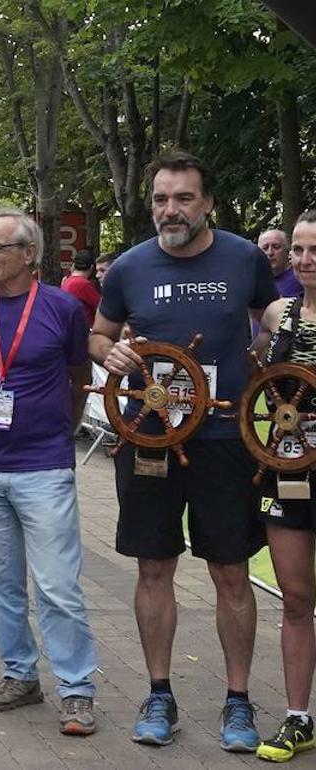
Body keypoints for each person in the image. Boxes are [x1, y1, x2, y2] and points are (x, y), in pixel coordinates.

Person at [90, 151, 277, 750]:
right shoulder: (128, 267)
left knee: (230, 569)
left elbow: (270, 319)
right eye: (161, 200)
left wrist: (270, 356)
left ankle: (239, 702)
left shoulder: (246, 258)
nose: (170, 210)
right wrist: (108, 353)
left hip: (226, 441)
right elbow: (99, 332)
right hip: (150, 437)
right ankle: (159, 694)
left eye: (183, 199)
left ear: (208, 204)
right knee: (152, 567)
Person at [0, 208, 98, 736]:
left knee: (58, 585)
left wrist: (64, 431)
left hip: (43, 464)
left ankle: (78, 689)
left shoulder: (63, 308)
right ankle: (20, 674)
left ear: (29, 254)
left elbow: (78, 373)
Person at [250, 210, 316, 762]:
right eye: (297, 250)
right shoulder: (278, 311)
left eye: (313, 249)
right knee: (295, 597)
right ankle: (298, 718)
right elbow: (257, 372)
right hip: (287, 465)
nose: (303, 260)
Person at [60, 249, 101, 326]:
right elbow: (102, 308)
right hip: (85, 329)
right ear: (92, 267)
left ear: (74, 265)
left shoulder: (66, 281)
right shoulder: (85, 285)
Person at [261, 228, 301, 299]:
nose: (270, 252)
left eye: (276, 247)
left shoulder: (300, 278)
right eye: (265, 248)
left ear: (287, 250)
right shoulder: (256, 281)